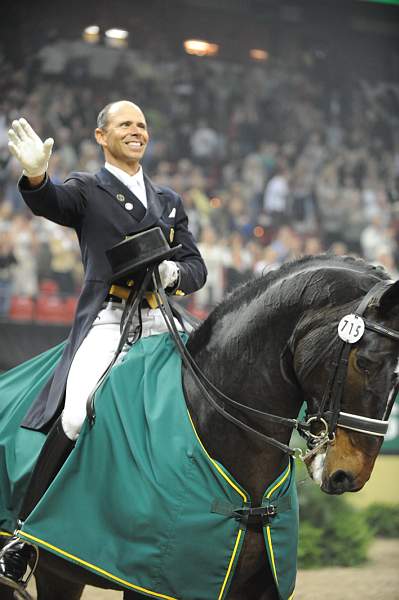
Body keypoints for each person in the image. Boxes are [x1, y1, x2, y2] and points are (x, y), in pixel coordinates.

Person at [0, 100, 207, 590]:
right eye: (125, 125)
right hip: (110, 319)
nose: (137, 131)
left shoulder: (169, 198)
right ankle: (27, 537)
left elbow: (195, 266)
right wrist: (35, 179)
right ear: (101, 136)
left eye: (142, 124)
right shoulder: (88, 189)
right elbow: (54, 203)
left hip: (163, 320)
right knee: (75, 413)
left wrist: (174, 271)